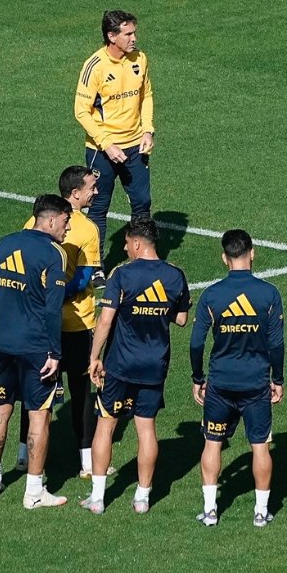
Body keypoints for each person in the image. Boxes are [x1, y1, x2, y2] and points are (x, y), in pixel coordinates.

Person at [83, 216, 191, 515]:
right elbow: (181, 319)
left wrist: (94, 357)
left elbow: (105, 320)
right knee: (146, 428)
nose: (125, 248)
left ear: (138, 243)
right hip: (155, 364)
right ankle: (142, 497)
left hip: (120, 364)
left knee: (106, 425)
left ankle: (98, 497)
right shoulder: (174, 275)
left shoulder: (122, 275)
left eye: (127, 243)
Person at [189, 230, 285, 528]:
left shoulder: (211, 295)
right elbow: (276, 345)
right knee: (260, 446)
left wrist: (197, 377)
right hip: (256, 383)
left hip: (220, 383)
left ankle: (210, 511)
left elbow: (196, 343)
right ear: (252, 253)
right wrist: (278, 379)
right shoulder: (269, 294)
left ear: (224, 257)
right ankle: (260, 512)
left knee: (213, 442)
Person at [16, 167, 104, 478]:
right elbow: (85, 275)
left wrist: (47, 299)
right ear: (76, 192)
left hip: (43, 323)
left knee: (37, 392)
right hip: (76, 323)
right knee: (80, 395)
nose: (96, 192)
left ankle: (28, 454)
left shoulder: (35, 220)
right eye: (92, 187)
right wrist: (57, 297)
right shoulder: (88, 229)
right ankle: (83, 461)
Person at [0, 195, 71, 509]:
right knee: (40, 417)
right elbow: (52, 310)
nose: (68, 227)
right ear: (49, 220)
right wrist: (55, 352)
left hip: (5, 343)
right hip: (37, 347)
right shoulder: (53, 254)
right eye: (65, 221)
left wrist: (14, 312)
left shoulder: (4, 243)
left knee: (1, 408)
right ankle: (34, 492)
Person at [73, 10, 153, 255]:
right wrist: (106, 143)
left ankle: (142, 258)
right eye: (128, 34)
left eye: (134, 32)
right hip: (102, 150)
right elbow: (80, 111)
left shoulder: (140, 59)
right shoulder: (94, 67)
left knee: (142, 203)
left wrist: (148, 130)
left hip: (135, 145)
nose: (133, 38)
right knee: (98, 207)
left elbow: (146, 95)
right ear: (111, 36)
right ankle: (94, 264)